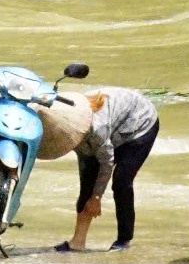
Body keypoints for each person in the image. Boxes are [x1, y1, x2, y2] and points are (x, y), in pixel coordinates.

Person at [56, 87, 159, 253]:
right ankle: (77, 242)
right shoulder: (66, 127)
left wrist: (96, 197)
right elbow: (88, 168)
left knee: (121, 181)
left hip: (140, 124)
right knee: (87, 182)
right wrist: (91, 193)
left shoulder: (97, 129)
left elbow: (106, 163)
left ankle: (124, 239)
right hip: (114, 125)